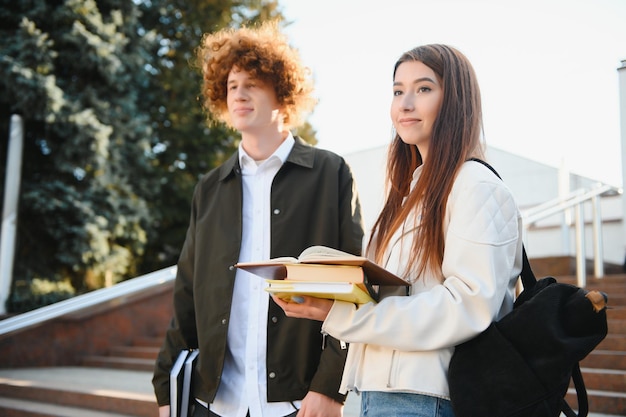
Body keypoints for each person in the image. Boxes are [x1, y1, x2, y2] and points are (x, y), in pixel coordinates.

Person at [274, 44, 524, 417]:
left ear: (456, 101)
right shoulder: (407, 193)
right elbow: (398, 291)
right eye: (397, 90)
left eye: (423, 89)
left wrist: (344, 316)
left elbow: (468, 306)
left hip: (430, 398)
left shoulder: (475, 185)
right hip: (381, 393)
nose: (405, 103)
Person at [151, 21, 364, 417]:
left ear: (282, 90)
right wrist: (167, 392)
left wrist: (329, 388)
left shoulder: (330, 173)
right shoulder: (210, 188)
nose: (240, 94)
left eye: (253, 83)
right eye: (232, 85)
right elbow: (186, 296)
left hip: (297, 404)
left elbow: (353, 289)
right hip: (212, 403)